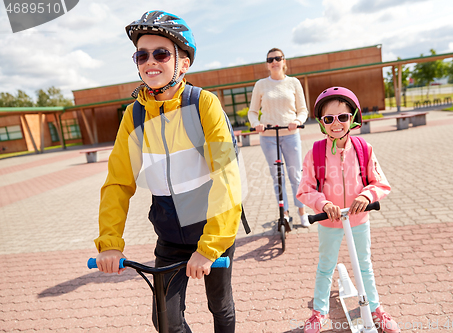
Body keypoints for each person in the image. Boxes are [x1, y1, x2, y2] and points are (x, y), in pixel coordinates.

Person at [94, 11, 242, 333]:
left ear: (183, 63)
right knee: (165, 320)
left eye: (161, 53)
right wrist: (110, 243)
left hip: (211, 229)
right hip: (170, 235)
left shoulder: (203, 104)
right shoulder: (133, 116)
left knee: (220, 305)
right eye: (142, 55)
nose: (151, 61)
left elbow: (227, 175)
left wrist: (210, 246)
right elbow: (118, 182)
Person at [296, 87, 400, 333]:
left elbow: (380, 182)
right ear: (321, 123)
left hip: (359, 219)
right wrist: (323, 204)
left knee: (364, 265)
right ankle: (318, 312)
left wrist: (367, 195)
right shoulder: (316, 153)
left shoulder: (364, 149)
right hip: (329, 221)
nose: (336, 124)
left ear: (352, 118)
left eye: (343, 117)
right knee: (326, 266)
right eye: (329, 119)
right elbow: (305, 189)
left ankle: (375, 308)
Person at [248, 47, 310, 228]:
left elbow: (303, 110)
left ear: (284, 62)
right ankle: (284, 214)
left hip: (290, 135)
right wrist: (256, 124)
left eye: (277, 58)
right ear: (267, 65)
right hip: (268, 136)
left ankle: (302, 212)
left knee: (295, 175)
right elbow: (252, 112)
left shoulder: (294, 83)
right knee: (277, 176)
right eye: (270, 60)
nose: (274, 62)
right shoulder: (260, 85)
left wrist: (297, 121)